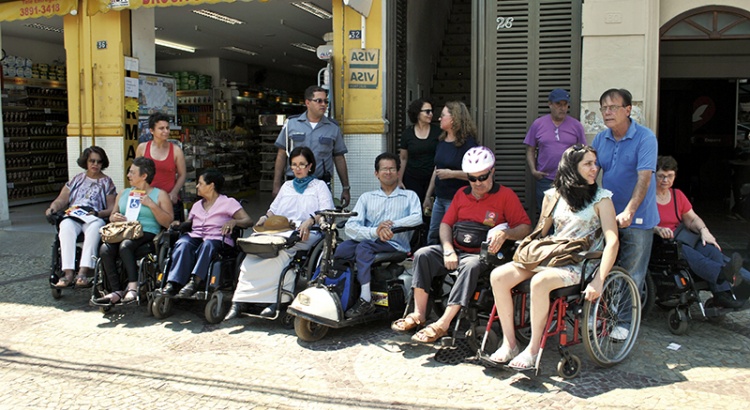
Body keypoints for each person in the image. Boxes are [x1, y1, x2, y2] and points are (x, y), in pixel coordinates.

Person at [488, 145, 618, 369]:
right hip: (552, 256)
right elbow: (540, 231)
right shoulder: (554, 196)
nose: (594, 168)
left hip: (580, 263)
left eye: (594, 163)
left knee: (540, 281)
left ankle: (533, 348)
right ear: (571, 168)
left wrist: (599, 280)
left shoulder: (602, 199)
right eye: (587, 163)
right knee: (498, 275)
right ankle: (510, 343)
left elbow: (613, 241)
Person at [392, 146, 531, 343]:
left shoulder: (506, 196)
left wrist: (507, 233)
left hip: (482, 255)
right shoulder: (461, 194)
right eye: (472, 178)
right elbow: (446, 224)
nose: (477, 183)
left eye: (482, 177)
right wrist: (448, 249)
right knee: (423, 254)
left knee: (470, 265)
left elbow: (525, 227)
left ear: (492, 171)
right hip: (456, 249)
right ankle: (418, 314)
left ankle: (443, 323)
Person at [225, 147, 334, 320]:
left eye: (302, 165)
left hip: (307, 232)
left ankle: (276, 301)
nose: (298, 169)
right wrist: (264, 217)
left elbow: (327, 211)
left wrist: (311, 220)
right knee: (255, 250)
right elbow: (273, 210)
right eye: (294, 165)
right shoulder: (287, 186)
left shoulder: (319, 186)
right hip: (279, 229)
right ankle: (240, 300)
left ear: (310, 166)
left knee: (280, 253)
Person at [591, 88, 658, 333]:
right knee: (601, 267)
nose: (607, 112)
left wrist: (629, 211)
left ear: (627, 110)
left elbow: (644, 178)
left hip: (638, 218)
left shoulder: (645, 138)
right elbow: (591, 175)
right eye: (604, 108)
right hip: (608, 216)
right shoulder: (601, 139)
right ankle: (599, 315)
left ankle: (623, 323)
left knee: (632, 273)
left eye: (613, 107)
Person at [333, 152, 423, 318]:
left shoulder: (409, 196)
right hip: (371, 239)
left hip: (395, 243)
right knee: (342, 249)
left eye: (392, 169)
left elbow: (417, 218)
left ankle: (365, 299)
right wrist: (375, 231)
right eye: (384, 169)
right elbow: (351, 226)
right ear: (376, 173)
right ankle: (344, 291)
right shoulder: (367, 198)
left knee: (363, 248)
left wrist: (392, 225)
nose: (388, 172)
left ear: (398, 171)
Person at [653, 156, 744, 308]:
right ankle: (721, 275)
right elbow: (641, 223)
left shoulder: (677, 195)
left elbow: (692, 218)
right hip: (663, 242)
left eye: (669, 176)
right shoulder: (647, 197)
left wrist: (704, 231)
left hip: (683, 237)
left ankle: (722, 295)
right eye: (661, 176)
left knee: (712, 250)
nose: (665, 180)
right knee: (688, 253)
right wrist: (657, 228)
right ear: (654, 175)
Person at [161, 169, 253, 297]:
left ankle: (195, 281)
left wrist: (234, 222)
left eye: (200, 183)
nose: (197, 186)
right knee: (183, 243)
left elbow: (248, 221)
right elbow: (189, 223)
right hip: (197, 236)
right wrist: (180, 224)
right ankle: (173, 283)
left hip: (218, 239)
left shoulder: (228, 202)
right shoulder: (197, 205)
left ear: (211, 186)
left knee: (208, 245)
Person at [94, 157, 173, 304]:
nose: (128, 175)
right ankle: (116, 290)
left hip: (146, 231)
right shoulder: (124, 193)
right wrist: (114, 217)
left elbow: (168, 222)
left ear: (144, 176)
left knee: (126, 246)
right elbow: (112, 215)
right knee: (105, 248)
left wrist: (152, 205)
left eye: (132, 172)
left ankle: (132, 286)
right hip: (123, 230)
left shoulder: (159, 194)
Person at [45, 146, 117, 288]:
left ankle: (83, 272)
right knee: (65, 227)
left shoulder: (107, 182)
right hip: (74, 213)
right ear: (86, 161)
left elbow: (111, 208)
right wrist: (52, 208)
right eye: (92, 161)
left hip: (93, 215)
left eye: (99, 162)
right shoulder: (77, 179)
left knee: (94, 229)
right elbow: (62, 199)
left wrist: (98, 214)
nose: (95, 164)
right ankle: (68, 273)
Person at [272, 85, 351, 208]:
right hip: (293, 182)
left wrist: (345, 187)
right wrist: (276, 185)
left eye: (325, 101)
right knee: (291, 218)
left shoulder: (332, 128)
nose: (323, 104)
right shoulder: (291, 124)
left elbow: (339, 158)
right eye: (319, 101)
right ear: (308, 102)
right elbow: (281, 154)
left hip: (321, 183)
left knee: (321, 220)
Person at [423, 101, 479, 245]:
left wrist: (452, 174)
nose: (439, 118)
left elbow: (477, 174)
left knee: (451, 236)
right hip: (439, 198)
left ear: (454, 118)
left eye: (443, 115)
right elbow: (437, 169)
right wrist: (428, 195)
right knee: (433, 235)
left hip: (456, 199)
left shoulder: (468, 144)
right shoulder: (441, 141)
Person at [524, 88, 587, 212]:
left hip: (569, 179)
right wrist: (533, 170)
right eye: (558, 104)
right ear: (550, 104)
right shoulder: (538, 124)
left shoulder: (576, 125)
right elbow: (530, 149)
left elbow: (584, 152)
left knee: (567, 215)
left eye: (565, 104)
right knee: (546, 215)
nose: (562, 108)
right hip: (545, 179)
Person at [136, 112, 187, 221]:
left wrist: (174, 192)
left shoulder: (176, 150)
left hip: (169, 199)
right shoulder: (142, 148)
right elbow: (136, 173)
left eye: (167, 128)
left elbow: (182, 175)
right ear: (151, 131)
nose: (166, 131)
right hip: (147, 199)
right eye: (161, 128)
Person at [398, 98, 441, 204]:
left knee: (429, 211)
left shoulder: (438, 132)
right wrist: (399, 179)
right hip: (412, 177)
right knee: (413, 208)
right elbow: (403, 158)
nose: (430, 114)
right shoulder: (407, 134)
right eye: (427, 111)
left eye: (431, 111)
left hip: (432, 178)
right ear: (417, 113)